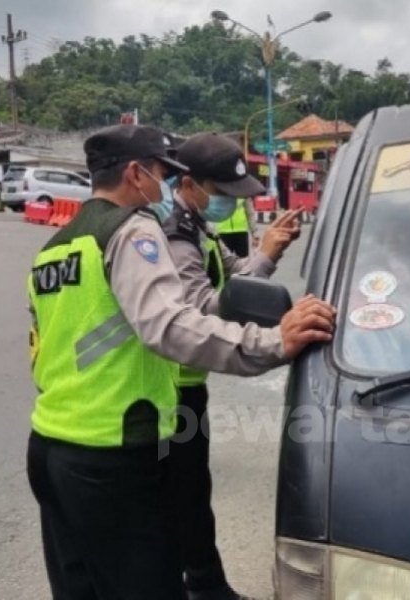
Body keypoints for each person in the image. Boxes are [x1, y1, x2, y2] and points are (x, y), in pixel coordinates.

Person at [25, 124, 335, 600]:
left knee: (80, 589)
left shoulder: (56, 248)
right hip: (113, 451)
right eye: (163, 174)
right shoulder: (131, 231)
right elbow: (170, 325)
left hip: (50, 447)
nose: (167, 186)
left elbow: (43, 349)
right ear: (136, 173)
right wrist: (275, 342)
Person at [160, 132, 302, 600]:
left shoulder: (198, 225)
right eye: (222, 193)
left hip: (187, 383)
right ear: (191, 183)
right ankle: (200, 584)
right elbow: (202, 308)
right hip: (168, 387)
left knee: (192, 492)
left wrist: (271, 250)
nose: (227, 203)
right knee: (180, 494)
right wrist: (272, 341)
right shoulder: (173, 234)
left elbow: (235, 276)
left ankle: (203, 580)